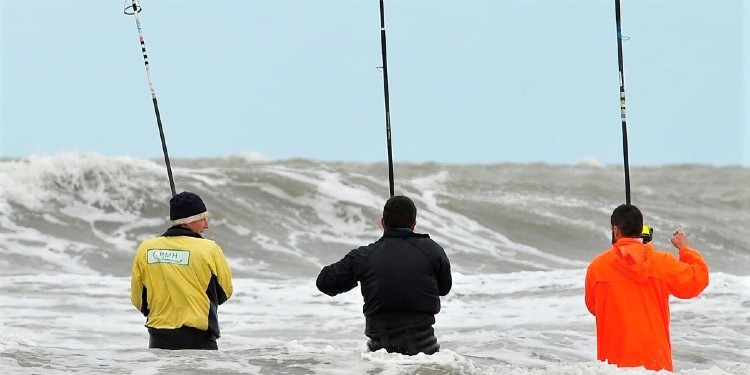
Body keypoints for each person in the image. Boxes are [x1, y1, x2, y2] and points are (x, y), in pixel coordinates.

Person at [316, 195, 452, 355]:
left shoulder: (364, 256)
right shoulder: (432, 250)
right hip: (427, 356)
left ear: (383, 223)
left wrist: (357, 273)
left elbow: (324, 282)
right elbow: (444, 288)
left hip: (380, 361)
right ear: (414, 223)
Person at [585, 204, 709, 371]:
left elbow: (594, 307)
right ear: (641, 230)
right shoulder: (661, 262)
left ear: (616, 231)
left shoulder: (597, 267)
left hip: (613, 365)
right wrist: (684, 249)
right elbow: (697, 279)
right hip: (656, 364)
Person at [130, 191, 233, 350]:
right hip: (199, 342)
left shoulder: (146, 248)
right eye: (203, 218)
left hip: (158, 341)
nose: (206, 225)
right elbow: (225, 292)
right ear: (189, 221)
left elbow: (138, 300)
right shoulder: (209, 249)